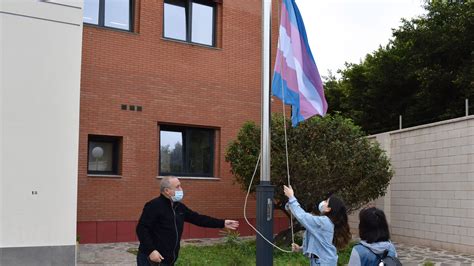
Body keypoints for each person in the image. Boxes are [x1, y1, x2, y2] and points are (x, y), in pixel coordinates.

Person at [136, 176, 239, 266]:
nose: (181, 189)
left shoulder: (179, 207)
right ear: (167, 191)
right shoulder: (154, 205)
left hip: (168, 259)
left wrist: (222, 223)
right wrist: (151, 251)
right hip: (151, 259)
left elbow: (198, 219)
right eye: (177, 187)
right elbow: (141, 229)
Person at [283, 185, 351, 265]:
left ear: (328, 209)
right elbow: (320, 243)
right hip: (323, 261)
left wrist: (291, 197)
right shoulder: (328, 222)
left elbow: (303, 217)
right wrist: (301, 248)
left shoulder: (324, 222)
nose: (323, 202)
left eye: (326, 201)